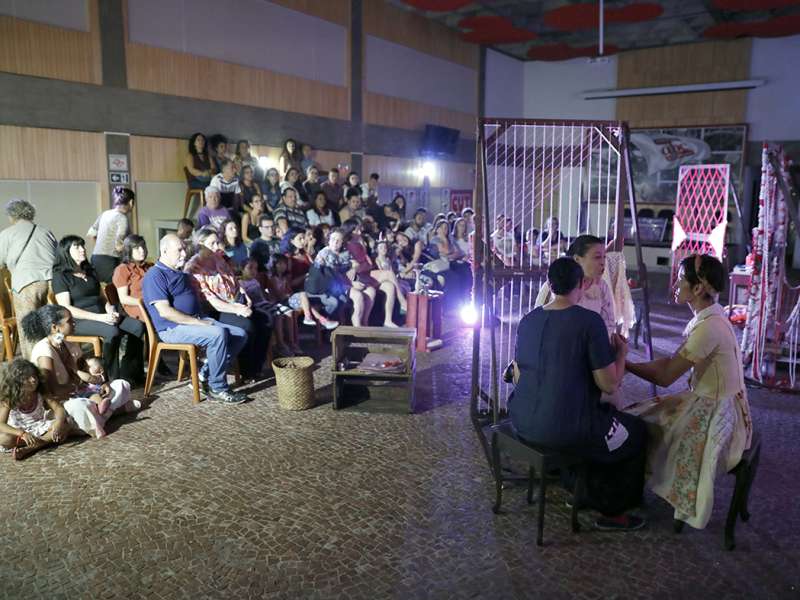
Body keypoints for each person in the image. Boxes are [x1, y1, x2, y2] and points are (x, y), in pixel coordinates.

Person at [509, 257, 647, 531]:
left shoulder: (529, 320)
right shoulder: (588, 322)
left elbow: (520, 372)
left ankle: (581, 490)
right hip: (566, 428)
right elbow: (609, 384)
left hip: (522, 420)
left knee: (597, 418)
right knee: (635, 431)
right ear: (581, 284)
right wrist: (621, 354)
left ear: (549, 285)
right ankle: (613, 510)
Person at [625, 254, 753, 530]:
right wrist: (631, 365)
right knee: (643, 414)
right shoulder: (712, 317)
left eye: (681, 279)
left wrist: (625, 364)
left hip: (717, 408)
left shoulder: (708, 328)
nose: (675, 284)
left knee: (640, 423)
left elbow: (667, 375)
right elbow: (669, 364)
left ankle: (631, 493)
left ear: (698, 289)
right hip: (714, 399)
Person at [142, 234, 247, 404]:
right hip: (172, 328)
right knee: (218, 334)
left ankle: (204, 375)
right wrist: (199, 322)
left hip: (196, 320)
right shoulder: (155, 275)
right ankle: (218, 388)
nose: (184, 254)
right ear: (164, 251)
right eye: (179, 250)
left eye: (185, 249)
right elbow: (165, 312)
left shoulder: (179, 273)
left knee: (240, 334)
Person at [23, 304, 136, 439]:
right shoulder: (44, 350)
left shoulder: (70, 344)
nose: (74, 323)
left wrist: (102, 383)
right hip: (61, 403)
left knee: (121, 385)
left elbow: (85, 371)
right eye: (69, 321)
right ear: (55, 327)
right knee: (80, 406)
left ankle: (96, 419)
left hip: (83, 392)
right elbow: (50, 391)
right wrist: (77, 388)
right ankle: (112, 412)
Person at [52, 236, 145, 384]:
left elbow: (102, 298)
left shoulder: (90, 271)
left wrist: (110, 311)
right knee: (112, 331)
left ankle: (131, 373)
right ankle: (110, 377)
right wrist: (100, 318)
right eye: (77, 247)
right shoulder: (60, 276)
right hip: (77, 320)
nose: (83, 249)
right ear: (66, 252)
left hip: (102, 316)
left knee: (137, 326)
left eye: (82, 246)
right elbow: (66, 309)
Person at [184, 228, 270, 382]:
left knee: (266, 320)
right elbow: (209, 300)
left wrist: (244, 295)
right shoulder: (194, 267)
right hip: (214, 311)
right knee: (246, 325)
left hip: (233, 302)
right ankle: (246, 370)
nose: (217, 246)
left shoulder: (219, 259)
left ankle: (256, 366)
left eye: (218, 242)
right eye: (212, 243)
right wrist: (236, 308)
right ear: (201, 244)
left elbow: (234, 280)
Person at [0, 198, 57, 359]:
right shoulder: (45, 231)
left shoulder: (7, 234)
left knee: (29, 328)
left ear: (12, 216)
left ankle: (34, 366)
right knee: (52, 325)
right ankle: (56, 362)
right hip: (53, 283)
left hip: (27, 284)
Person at [0, 358, 80, 460]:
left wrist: (59, 422)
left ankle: (31, 448)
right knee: (4, 439)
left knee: (65, 424)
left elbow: (58, 408)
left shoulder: (40, 392)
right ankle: (44, 442)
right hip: (19, 433)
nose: (33, 380)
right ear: (17, 381)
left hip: (40, 427)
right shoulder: (9, 399)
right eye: (27, 377)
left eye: (34, 376)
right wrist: (21, 433)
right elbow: (1, 424)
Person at [535, 235, 616, 334]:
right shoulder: (555, 284)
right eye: (597, 257)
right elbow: (538, 321)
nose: (603, 262)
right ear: (577, 259)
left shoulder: (602, 287)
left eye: (604, 257)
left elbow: (609, 323)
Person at [87, 186, 134, 282]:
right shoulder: (122, 218)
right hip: (110, 261)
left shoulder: (105, 213)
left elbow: (92, 234)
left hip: (95, 258)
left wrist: (102, 246)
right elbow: (119, 246)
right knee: (117, 291)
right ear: (131, 202)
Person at [112, 235, 152, 322]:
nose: (142, 250)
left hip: (153, 303)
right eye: (137, 248)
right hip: (137, 307)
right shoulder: (122, 269)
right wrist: (144, 302)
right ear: (129, 250)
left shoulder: (149, 266)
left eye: (143, 246)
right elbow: (123, 298)